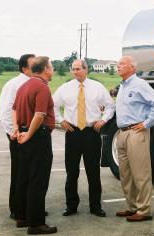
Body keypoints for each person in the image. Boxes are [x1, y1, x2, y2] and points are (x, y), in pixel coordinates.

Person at [53, 59, 115, 217]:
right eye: (73, 69)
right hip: (72, 132)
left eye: (78, 69)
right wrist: (61, 120)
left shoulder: (97, 87)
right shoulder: (65, 88)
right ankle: (71, 206)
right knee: (71, 172)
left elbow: (110, 106)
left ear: (86, 70)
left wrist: (103, 120)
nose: (75, 72)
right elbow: (52, 106)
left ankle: (95, 206)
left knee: (93, 172)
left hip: (91, 133)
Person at [115, 56, 154, 222]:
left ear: (132, 68)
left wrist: (146, 124)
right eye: (118, 64)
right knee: (126, 174)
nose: (118, 66)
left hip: (136, 133)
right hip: (122, 133)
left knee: (140, 174)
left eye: (122, 64)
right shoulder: (123, 86)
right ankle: (132, 207)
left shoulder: (139, 85)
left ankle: (144, 210)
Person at [12, 56, 57, 235]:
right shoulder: (42, 87)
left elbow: (14, 109)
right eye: (51, 67)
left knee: (24, 178)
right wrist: (29, 134)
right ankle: (36, 224)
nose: (52, 71)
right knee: (38, 180)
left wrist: (17, 129)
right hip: (37, 137)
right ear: (45, 69)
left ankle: (21, 216)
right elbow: (39, 114)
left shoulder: (24, 86)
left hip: (24, 135)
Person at [0, 54, 35, 219]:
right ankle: (17, 210)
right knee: (19, 173)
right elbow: (5, 111)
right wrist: (14, 132)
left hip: (29, 134)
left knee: (29, 173)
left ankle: (29, 207)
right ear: (25, 68)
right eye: (34, 64)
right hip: (19, 135)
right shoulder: (14, 84)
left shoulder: (31, 83)